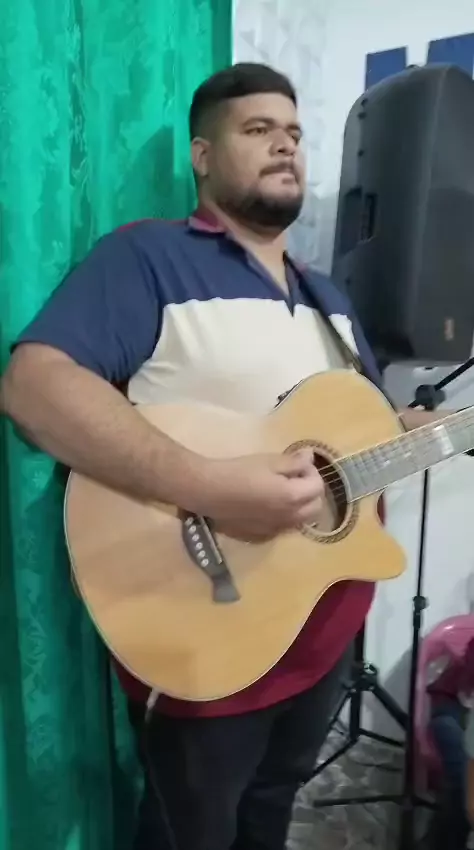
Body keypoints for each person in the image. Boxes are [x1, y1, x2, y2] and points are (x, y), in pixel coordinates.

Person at [0, 62, 447, 850]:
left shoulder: (330, 299)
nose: (286, 146)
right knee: (190, 834)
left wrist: (414, 429)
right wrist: (212, 485)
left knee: (270, 812)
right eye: (258, 129)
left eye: (295, 133)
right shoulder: (147, 258)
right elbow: (34, 388)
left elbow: (350, 435)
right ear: (202, 157)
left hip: (323, 630)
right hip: (208, 628)